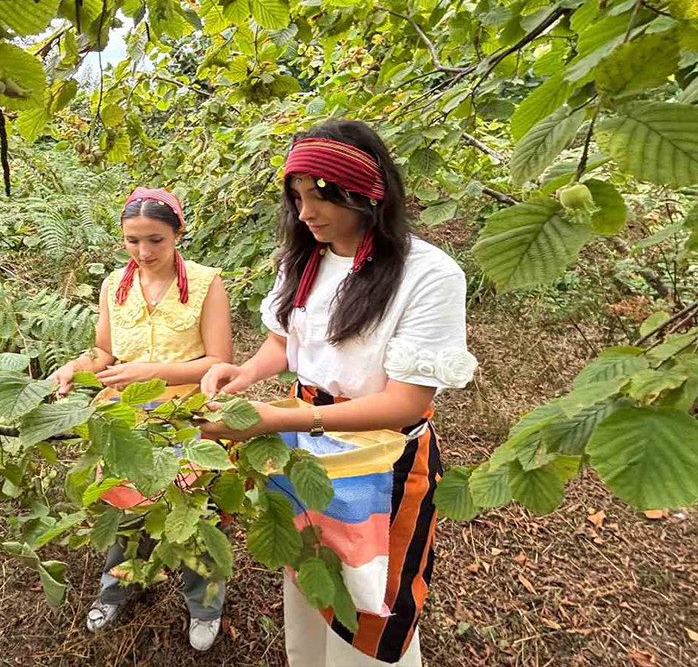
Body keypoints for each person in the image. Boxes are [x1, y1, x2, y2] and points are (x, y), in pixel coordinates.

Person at [199, 119, 477, 666]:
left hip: (380, 455)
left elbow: (406, 402)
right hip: (305, 445)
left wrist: (277, 420)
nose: (306, 212)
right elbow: (284, 341)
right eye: (297, 196)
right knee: (312, 570)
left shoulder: (427, 275)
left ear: (367, 191)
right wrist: (244, 373)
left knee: (371, 595)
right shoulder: (304, 258)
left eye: (322, 195)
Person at [51, 187, 233, 651]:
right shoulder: (115, 285)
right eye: (133, 241)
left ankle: (205, 604)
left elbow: (219, 361)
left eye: (155, 240)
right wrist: (75, 366)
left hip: (186, 415)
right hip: (127, 415)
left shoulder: (206, 283)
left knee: (192, 512)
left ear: (178, 233)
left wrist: (153, 371)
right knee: (123, 508)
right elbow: (104, 352)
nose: (144, 252)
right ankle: (116, 588)